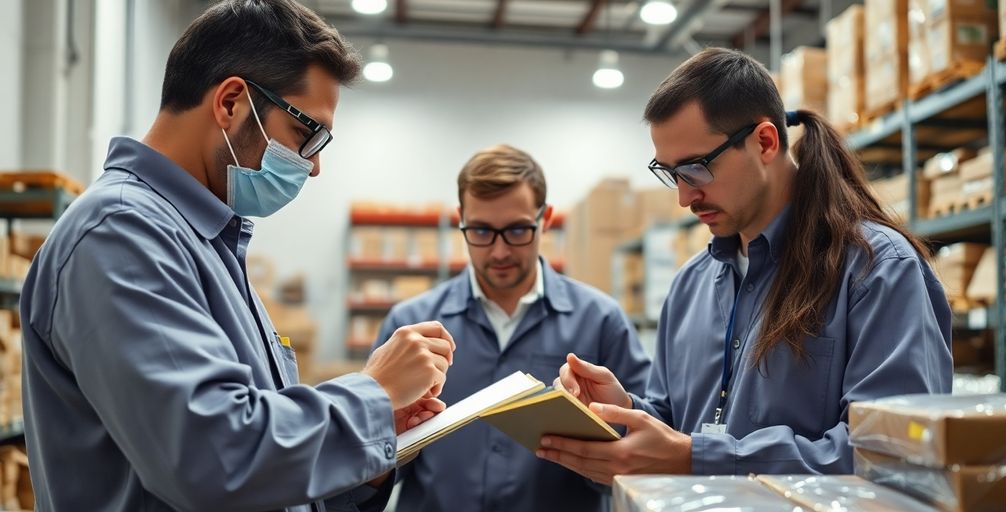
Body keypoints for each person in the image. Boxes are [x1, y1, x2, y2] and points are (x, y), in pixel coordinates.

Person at [20, 1, 455, 510]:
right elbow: (215, 460)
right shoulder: (121, 234)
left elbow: (255, 461)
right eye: (306, 135)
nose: (313, 168)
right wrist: (371, 396)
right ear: (231, 103)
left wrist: (370, 452)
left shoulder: (205, 241)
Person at [536, 47, 953, 482]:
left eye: (695, 169)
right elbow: (676, 421)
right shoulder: (690, 286)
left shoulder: (875, 269)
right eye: (670, 173)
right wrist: (623, 412)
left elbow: (896, 454)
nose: (684, 196)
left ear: (765, 142)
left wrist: (698, 458)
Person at [372, 144, 652, 511]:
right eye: (482, 231)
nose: (500, 251)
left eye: (518, 230)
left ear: (546, 218)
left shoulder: (601, 321)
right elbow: (373, 461)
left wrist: (604, 430)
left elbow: (642, 452)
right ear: (461, 220)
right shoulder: (411, 326)